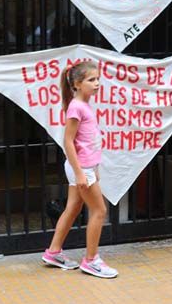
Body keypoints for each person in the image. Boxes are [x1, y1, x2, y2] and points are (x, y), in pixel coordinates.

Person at [41, 60, 118, 278]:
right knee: (100, 211)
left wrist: (92, 168)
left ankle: (53, 252)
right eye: (91, 80)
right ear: (77, 84)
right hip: (81, 169)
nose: (97, 83)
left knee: (73, 208)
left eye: (97, 79)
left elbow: (87, 141)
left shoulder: (82, 105)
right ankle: (91, 260)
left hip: (85, 168)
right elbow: (68, 142)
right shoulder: (76, 107)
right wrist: (81, 173)